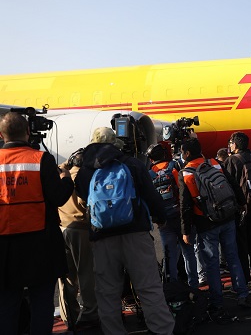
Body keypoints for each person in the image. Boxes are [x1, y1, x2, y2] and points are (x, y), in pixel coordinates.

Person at [75, 127, 174, 334]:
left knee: (107, 292)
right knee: (148, 287)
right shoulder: (131, 164)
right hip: (135, 232)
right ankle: (162, 330)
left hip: (101, 236)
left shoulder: (85, 170)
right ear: (115, 142)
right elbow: (150, 195)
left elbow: (84, 195)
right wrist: (160, 218)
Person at [0, 112, 74, 334]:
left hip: (4, 247)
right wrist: (67, 178)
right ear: (28, 132)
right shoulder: (41, 159)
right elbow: (59, 197)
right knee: (41, 304)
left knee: (7, 305)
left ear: (2, 135)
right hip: (40, 244)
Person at [178, 138, 251, 320]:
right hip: (227, 216)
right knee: (232, 256)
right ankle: (242, 294)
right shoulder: (214, 163)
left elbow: (185, 205)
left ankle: (217, 302)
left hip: (206, 222)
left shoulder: (185, 173)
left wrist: (185, 230)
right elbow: (232, 184)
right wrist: (241, 203)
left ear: (186, 154)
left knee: (211, 263)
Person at [57, 148, 99, 330]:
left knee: (66, 277)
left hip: (62, 228)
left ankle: (69, 315)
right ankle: (90, 312)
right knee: (86, 273)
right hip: (80, 228)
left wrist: (67, 163)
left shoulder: (62, 176)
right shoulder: (83, 178)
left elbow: (60, 168)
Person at [147, 143, 198, 288]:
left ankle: (172, 288)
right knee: (188, 252)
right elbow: (182, 191)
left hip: (164, 220)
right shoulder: (173, 167)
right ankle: (193, 285)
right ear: (164, 155)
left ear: (151, 159)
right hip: (180, 215)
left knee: (170, 255)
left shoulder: (150, 174)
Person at [223, 132, 251, 291]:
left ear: (235, 144)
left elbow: (229, 185)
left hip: (241, 208)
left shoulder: (231, 160)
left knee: (240, 246)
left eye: (230, 142)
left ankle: (245, 280)